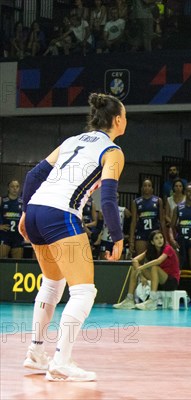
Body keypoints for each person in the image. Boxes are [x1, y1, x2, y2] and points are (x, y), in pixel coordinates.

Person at [19, 93, 126, 381]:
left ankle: (36, 352)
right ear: (117, 120)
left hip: (37, 210)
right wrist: (116, 236)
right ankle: (61, 362)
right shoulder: (113, 151)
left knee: (53, 283)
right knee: (84, 291)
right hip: (60, 213)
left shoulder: (72, 141)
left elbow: (32, 177)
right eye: (125, 116)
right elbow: (108, 198)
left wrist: (25, 213)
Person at [113, 230, 180, 310]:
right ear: (152, 242)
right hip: (158, 282)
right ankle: (129, 300)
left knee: (154, 267)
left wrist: (142, 267)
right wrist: (141, 277)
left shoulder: (168, 248)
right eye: (156, 238)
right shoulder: (150, 251)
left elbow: (158, 261)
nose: (160, 240)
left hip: (171, 281)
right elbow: (134, 260)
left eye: (161, 237)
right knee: (134, 269)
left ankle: (152, 301)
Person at [130, 179, 164, 257]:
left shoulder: (158, 200)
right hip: (141, 232)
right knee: (140, 258)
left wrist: (164, 237)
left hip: (155, 233)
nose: (147, 187)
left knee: (155, 259)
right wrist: (131, 240)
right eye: (145, 185)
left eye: (149, 186)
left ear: (152, 188)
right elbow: (133, 221)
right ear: (141, 188)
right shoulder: (136, 202)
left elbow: (162, 220)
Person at [0, 180, 25, 259]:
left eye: (17, 186)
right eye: (12, 186)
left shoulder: (22, 202)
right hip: (4, 235)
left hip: (18, 236)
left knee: (17, 263)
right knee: (2, 262)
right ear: (8, 188)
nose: (15, 188)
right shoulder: (2, 200)